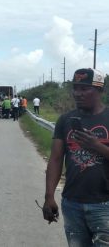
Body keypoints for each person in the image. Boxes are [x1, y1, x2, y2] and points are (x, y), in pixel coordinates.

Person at [43, 68, 109, 246]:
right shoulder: (65, 120)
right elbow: (56, 159)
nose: (77, 94)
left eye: (84, 89)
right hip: (72, 203)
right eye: (75, 88)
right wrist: (49, 196)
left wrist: (97, 146)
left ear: (100, 90)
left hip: (104, 205)